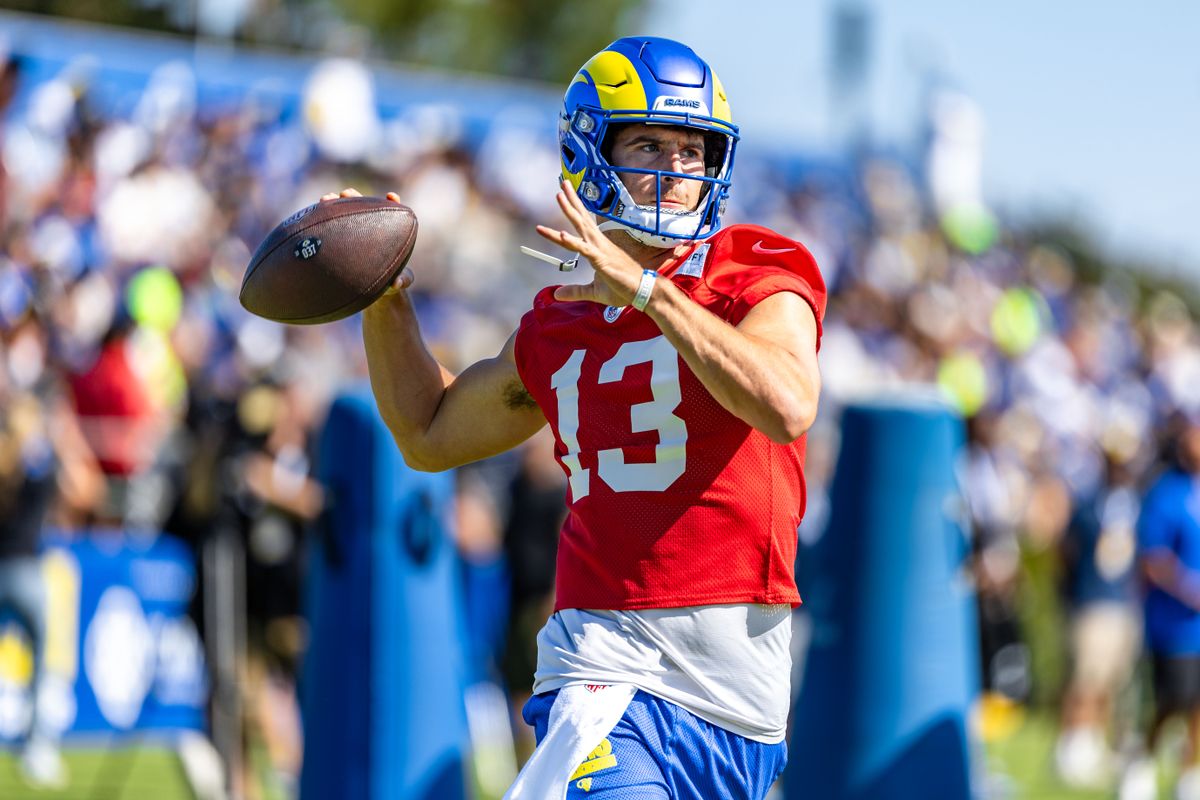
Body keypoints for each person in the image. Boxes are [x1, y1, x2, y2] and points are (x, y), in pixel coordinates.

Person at [333, 36, 825, 799]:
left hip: (743, 700)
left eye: (694, 150)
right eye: (651, 145)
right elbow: (428, 434)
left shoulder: (757, 270)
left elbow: (788, 405)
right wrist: (383, 297)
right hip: (605, 669)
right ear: (591, 152)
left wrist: (648, 294)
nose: (677, 170)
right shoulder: (557, 323)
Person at [1121, 413, 1200, 800]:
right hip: (1175, 623)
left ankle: (1191, 774)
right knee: (1174, 698)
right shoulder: (1167, 492)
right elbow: (1153, 556)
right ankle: (1143, 761)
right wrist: (1188, 587)